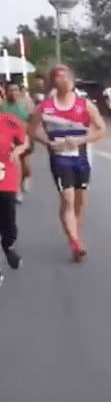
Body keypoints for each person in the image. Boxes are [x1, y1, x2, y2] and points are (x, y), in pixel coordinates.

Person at [28, 64, 106, 262]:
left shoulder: (84, 105)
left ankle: (75, 233)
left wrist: (80, 140)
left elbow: (101, 129)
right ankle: (75, 243)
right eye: (60, 77)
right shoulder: (45, 107)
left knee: (80, 201)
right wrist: (48, 142)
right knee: (68, 199)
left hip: (82, 155)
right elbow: (32, 130)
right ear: (54, 82)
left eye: (69, 77)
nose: (66, 80)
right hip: (60, 158)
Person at [0, 110, 29, 279]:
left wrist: (17, 150)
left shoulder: (9, 121)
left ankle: (8, 246)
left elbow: (24, 141)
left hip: (6, 179)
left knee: (8, 222)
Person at [1, 81, 34, 202]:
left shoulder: (26, 102)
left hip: (24, 136)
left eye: (16, 90)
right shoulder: (3, 105)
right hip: (9, 139)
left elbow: (32, 120)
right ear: (6, 92)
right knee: (15, 164)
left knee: (26, 165)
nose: (13, 92)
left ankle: (26, 177)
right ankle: (17, 190)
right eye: (11, 90)